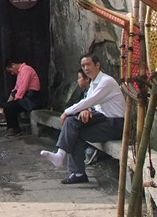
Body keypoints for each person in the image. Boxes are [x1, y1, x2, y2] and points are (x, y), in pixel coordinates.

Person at [40, 53, 126, 184]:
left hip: (115, 124)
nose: (86, 68)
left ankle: (65, 160)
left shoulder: (106, 81)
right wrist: (86, 110)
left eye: (88, 64)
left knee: (72, 126)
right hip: (102, 118)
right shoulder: (93, 83)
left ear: (97, 65)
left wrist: (66, 111)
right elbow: (89, 104)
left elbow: (90, 100)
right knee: (72, 124)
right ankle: (75, 170)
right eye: (83, 65)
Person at [0, 58, 42, 136]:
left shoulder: (26, 70)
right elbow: (15, 90)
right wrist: (8, 103)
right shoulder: (20, 73)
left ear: (13, 65)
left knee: (10, 107)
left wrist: (13, 101)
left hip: (31, 99)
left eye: (11, 71)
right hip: (24, 97)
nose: (12, 73)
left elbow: (23, 88)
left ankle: (14, 129)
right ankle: (8, 120)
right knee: (4, 102)